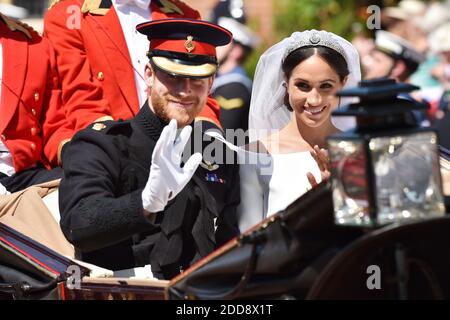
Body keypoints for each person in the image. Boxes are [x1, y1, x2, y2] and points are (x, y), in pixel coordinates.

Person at [58, 19, 240, 280]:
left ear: (210, 84)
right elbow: (79, 224)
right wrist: (144, 204)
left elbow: (228, 242)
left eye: (197, 79)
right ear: (149, 74)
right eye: (173, 76)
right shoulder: (101, 145)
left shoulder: (217, 154)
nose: (185, 91)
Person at [238, 30, 361, 232]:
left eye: (326, 86)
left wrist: (339, 198)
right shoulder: (254, 155)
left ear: (344, 83)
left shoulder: (358, 150)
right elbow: (248, 240)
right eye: (303, 86)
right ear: (286, 83)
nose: (314, 100)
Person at [44, 0, 223, 132]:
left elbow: (200, 89)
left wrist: (207, 136)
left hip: (180, 147)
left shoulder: (184, 14)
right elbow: (81, 99)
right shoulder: (69, 14)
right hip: (113, 150)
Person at [0, 13, 75, 194]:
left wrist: (80, 154)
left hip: (22, 177)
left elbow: (54, 125)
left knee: (85, 191)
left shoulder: (33, 44)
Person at [211, 17, 257, 134]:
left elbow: (220, 132)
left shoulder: (235, 87)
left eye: (221, 41)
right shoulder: (219, 78)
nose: (213, 45)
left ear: (236, 51)